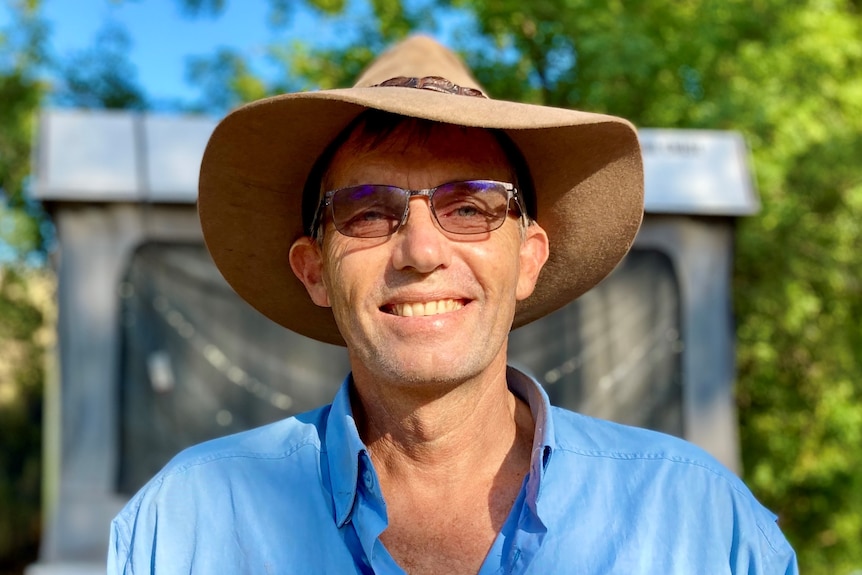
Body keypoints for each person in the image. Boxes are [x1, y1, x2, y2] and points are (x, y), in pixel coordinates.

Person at [108, 35, 798, 574]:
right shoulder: (183, 525)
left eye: (469, 206)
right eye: (368, 212)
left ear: (528, 256)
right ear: (314, 270)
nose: (420, 250)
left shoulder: (700, 521)